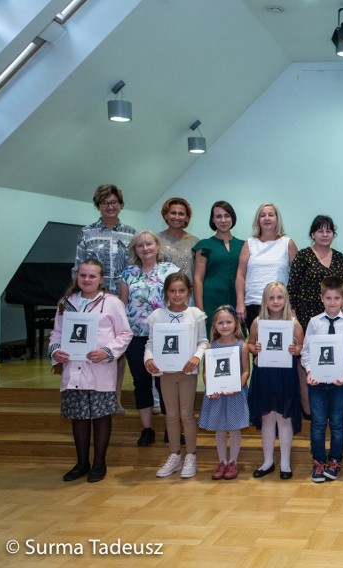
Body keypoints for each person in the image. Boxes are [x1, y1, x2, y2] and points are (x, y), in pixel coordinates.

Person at [49, 259, 132, 483]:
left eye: (92, 276)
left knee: (101, 415)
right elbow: (56, 334)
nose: (87, 280)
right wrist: (55, 351)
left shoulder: (112, 303)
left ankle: (99, 463)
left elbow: (125, 334)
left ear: (101, 280)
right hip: (73, 367)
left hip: (99, 368)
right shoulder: (66, 303)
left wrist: (107, 351)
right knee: (79, 417)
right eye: (83, 275)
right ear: (77, 277)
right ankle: (81, 462)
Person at [73, 184, 136, 414]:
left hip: (121, 299)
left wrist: (124, 298)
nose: (110, 206)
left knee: (117, 351)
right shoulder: (87, 232)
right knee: (95, 347)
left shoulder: (131, 234)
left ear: (121, 205)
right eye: (105, 203)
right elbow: (77, 267)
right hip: (92, 301)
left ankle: (115, 397)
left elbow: (133, 269)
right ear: (98, 206)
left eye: (114, 202)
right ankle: (92, 394)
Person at [119, 231, 180, 446]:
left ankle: (170, 428)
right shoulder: (128, 273)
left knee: (166, 382)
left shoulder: (170, 270)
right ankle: (147, 429)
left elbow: (178, 300)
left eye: (149, 244)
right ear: (135, 250)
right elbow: (122, 305)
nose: (145, 248)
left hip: (164, 336)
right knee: (141, 382)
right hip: (135, 337)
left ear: (157, 246)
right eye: (140, 245)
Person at [144, 273, 208, 479]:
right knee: (170, 415)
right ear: (166, 293)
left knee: (186, 414)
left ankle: (191, 455)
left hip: (187, 372)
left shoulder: (196, 314)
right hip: (165, 373)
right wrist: (148, 359)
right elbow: (151, 343)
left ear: (188, 292)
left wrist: (197, 358)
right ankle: (174, 455)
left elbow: (203, 341)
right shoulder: (157, 316)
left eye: (181, 290)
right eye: (172, 291)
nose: (177, 295)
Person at [300, 276, 343, 482]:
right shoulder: (314, 323)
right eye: (328, 298)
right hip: (317, 384)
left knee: (337, 423)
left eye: (337, 298)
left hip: (338, 384)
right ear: (321, 299)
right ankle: (318, 461)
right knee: (317, 423)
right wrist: (309, 371)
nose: (333, 302)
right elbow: (306, 352)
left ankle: (335, 460)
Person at [247, 282, 303, 480]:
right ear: (265, 301)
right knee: (267, 418)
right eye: (272, 298)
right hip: (264, 375)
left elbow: (301, 349)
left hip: (285, 375)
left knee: (285, 419)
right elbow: (250, 345)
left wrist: (296, 350)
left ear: (286, 300)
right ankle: (268, 461)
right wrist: (256, 348)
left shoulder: (294, 323)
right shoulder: (257, 322)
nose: (276, 301)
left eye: (280, 297)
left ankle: (285, 462)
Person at [198, 306, 251, 480]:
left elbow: (245, 371)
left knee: (234, 429)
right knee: (220, 429)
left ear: (235, 323)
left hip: (235, 394)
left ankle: (233, 462)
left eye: (229, 322)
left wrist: (238, 386)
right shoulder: (210, 347)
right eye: (221, 322)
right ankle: (222, 461)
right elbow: (206, 372)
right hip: (217, 396)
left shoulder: (241, 346)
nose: (225, 326)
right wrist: (211, 388)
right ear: (215, 325)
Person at [235, 203, 298, 330]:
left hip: (280, 304)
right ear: (258, 220)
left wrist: (293, 307)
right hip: (253, 302)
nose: (267, 218)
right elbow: (240, 275)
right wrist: (240, 302)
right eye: (262, 215)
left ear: (277, 219)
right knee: (257, 346)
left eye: (271, 215)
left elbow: (297, 278)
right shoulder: (249, 243)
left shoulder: (288, 243)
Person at [193, 201, 245, 335]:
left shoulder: (244, 245)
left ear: (232, 218)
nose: (223, 220)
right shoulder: (205, 245)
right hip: (211, 300)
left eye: (227, 215)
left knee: (236, 338)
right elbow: (198, 279)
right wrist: (200, 311)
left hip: (236, 298)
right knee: (212, 338)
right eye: (218, 216)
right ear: (213, 220)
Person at [289, 215, 343, 331]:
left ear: (333, 235)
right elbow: (292, 286)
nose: (325, 235)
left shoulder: (339, 257)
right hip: (306, 312)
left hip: (333, 311)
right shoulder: (303, 255)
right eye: (320, 231)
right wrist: (291, 311)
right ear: (312, 234)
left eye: (328, 231)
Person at [157, 197, 199, 280]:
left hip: (189, 291)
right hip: (162, 291)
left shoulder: (195, 242)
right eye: (173, 213)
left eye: (181, 214)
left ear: (187, 217)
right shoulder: (155, 239)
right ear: (165, 215)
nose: (177, 217)